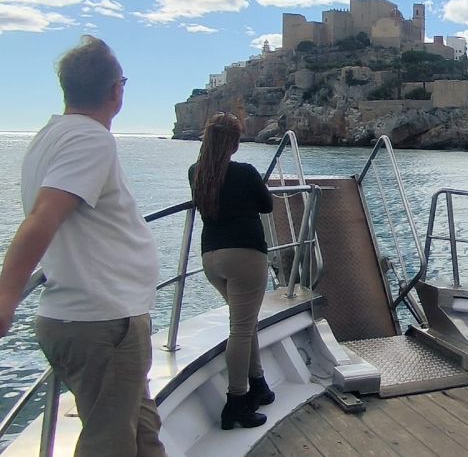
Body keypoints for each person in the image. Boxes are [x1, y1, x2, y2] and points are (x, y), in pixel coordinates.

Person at [0, 36, 167, 456]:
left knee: (143, 430)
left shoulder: (48, 137)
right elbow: (44, 216)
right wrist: (5, 296)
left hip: (102, 318)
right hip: (100, 322)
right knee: (108, 444)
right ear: (116, 90)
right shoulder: (91, 139)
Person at [189, 112, 275, 430]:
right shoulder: (245, 172)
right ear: (235, 143)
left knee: (244, 321)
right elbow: (266, 205)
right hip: (245, 256)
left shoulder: (194, 173)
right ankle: (237, 402)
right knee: (241, 329)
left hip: (211, 258)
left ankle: (259, 384)